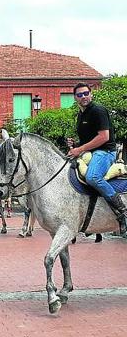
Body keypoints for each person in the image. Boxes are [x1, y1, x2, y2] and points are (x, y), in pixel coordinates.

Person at [67, 82, 127, 234]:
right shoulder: (81, 114)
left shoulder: (98, 110)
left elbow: (103, 137)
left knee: (92, 177)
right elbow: (88, 139)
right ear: (75, 98)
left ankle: (122, 210)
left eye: (86, 93)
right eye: (80, 95)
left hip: (105, 152)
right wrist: (75, 144)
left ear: (91, 94)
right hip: (91, 152)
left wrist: (79, 149)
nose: (84, 97)